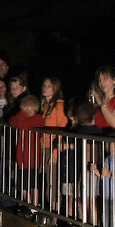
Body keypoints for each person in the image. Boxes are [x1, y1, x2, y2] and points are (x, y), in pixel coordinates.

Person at [9, 94, 46, 206]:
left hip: (33, 158)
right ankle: (28, 203)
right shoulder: (23, 117)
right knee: (22, 183)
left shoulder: (37, 119)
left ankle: (34, 204)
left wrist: (21, 115)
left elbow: (20, 125)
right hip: (22, 157)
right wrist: (20, 115)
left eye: (25, 109)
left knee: (33, 183)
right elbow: (12, 122)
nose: (23, 111)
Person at [41, 77, 69, 210]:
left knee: (52, 182)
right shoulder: (46, 105)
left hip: (52, 148)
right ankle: (50, 209)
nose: (45, 87)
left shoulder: (59, 105)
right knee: (48, 181)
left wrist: (55, 152)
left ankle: (55, 213)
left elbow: (61, 130)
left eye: (49, 86)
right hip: (44, 146)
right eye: (44, 85)